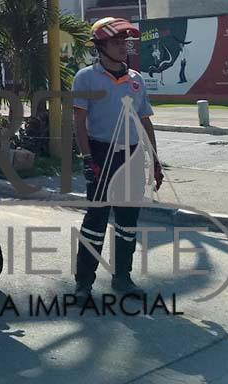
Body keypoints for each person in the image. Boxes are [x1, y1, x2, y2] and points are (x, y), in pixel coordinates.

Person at [71, 17, 164, 303]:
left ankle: (122, 278)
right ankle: (84, 283)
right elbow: (79, 122)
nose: (124, 47)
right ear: (100, 46)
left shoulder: (136, 79)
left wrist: (156, 160)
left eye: (126, 42)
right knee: (95, 222)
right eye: (116, 42)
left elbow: (145, 121)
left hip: (132, 157)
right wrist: (87, 159)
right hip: (101, 154)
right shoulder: (86, 77)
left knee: (127, 223)